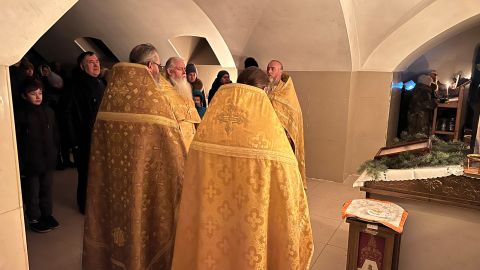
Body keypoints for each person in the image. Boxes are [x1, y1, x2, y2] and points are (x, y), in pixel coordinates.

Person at [172, 67, 314, 270]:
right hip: (250, 228)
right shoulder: (271, 138)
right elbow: (289, 189)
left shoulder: (207, 129)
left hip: (211, 226)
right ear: (264, 91)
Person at [83, 44, 189, 270]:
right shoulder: (152, 102)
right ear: (151, 66)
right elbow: (173, 149)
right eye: (158, 66)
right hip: (143, 180)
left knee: (116, 225)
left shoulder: (110, 94)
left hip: (113, 180)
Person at [15, 79, 60, 233]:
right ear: (24, 96)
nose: (38, 96)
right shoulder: (21, 115)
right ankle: (34, 217)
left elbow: (55, 134)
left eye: (40, 93)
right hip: (30, 161)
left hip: (47, 158)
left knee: (47, 188)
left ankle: (46, 214)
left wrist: (55, 151)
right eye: (33, 94)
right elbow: (18, 140)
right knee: (32, 192)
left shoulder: (49, 111)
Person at [65, 51, 105, 214]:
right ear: (82, 66)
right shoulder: (74, 86)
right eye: (90, 62)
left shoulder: (100, 83)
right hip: (83, 139)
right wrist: (73, 141)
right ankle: (85, 206)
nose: (96, 64)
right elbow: (65, 114)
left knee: (99, 173)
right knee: (86, 174)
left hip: (100, 138)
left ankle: (98, 202)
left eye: (97, 61)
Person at [266, 60, 307, 187]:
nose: (269, 71)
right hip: (269, 131)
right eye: (268, 68)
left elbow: (293, 112)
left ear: (280, 70)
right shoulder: (267, 87)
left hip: (284, 132)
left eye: (272, 68)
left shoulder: (286, 89)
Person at [164, 57, 201, 148]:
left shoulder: (186, 91)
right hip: (175, 144)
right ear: (169, 71)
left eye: (185, 69)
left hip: (191, 143)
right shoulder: (163, 92)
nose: (184, 72)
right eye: (180, 69)